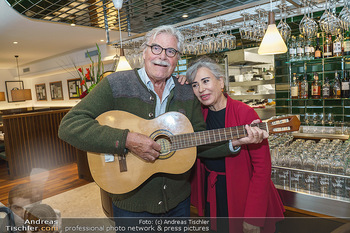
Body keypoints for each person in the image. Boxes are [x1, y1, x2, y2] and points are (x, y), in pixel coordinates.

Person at [58, 25, 266, 222]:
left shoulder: (186, 92)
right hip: (132, 204)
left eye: (171, 51)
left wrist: (234, 142)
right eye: (156, 48)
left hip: (178, 203)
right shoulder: (115, 84)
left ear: (177, 59)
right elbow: (69, 125)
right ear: (144, 52)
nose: (162, 56)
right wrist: (127, 140)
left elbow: (198, 143)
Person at [186, 57, 285, 233]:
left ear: (221, 81)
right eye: (194, 85)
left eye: (206, 81)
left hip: (242, 195)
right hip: (214, 192)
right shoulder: (199, 116)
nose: (201, 89)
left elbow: (262, 169)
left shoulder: (244, 113)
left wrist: (253, 217)